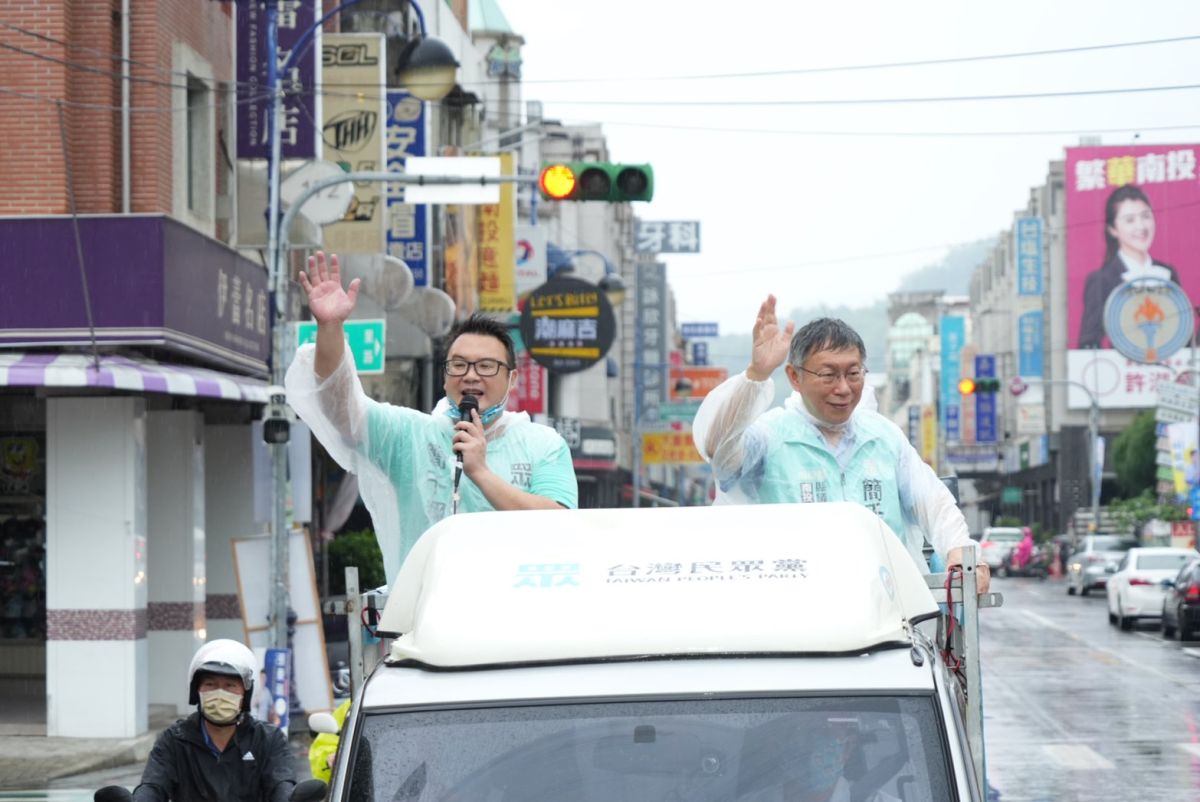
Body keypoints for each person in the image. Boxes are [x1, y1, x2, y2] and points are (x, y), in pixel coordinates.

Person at [285, 251, 578, 581]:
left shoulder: (543, 444)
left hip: (513, 622)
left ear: (512, 378)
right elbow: (340, 409)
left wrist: (480, 471)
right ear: (445, 376)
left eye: (486, 366)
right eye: (459, 365)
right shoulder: (409, 435)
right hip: (424, 619)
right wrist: (330, 328)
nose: (470, 376)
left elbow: (560, 528)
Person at [692, 296, 990, 592]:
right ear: (795, 376)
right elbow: (720, 449)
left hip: (887, 611)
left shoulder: (883, 436)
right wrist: (756, 375)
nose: (844, 388)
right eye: (828, 374)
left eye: (853, 373)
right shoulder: (769, 436)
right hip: (793, 611)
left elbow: (932, 500)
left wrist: (961, 552)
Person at [131, 639, 295, 802]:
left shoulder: (269, 739)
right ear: (197, 691)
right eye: (210, 684)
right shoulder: (175, 740)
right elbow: (153, 785)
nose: (219, 693)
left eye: (230, 685)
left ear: (246, 695)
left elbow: (281, 784)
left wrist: (289, 796)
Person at [1077, 184, 1180, 349]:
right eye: (1130, 220)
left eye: (1146, 216)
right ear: (1112, 229)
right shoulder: (1101, 280)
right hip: (1123, 371)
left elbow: (1181, 330)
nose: (1141, 227)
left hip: (1168, 370)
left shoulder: (1167, 273)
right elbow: (1088, 342)